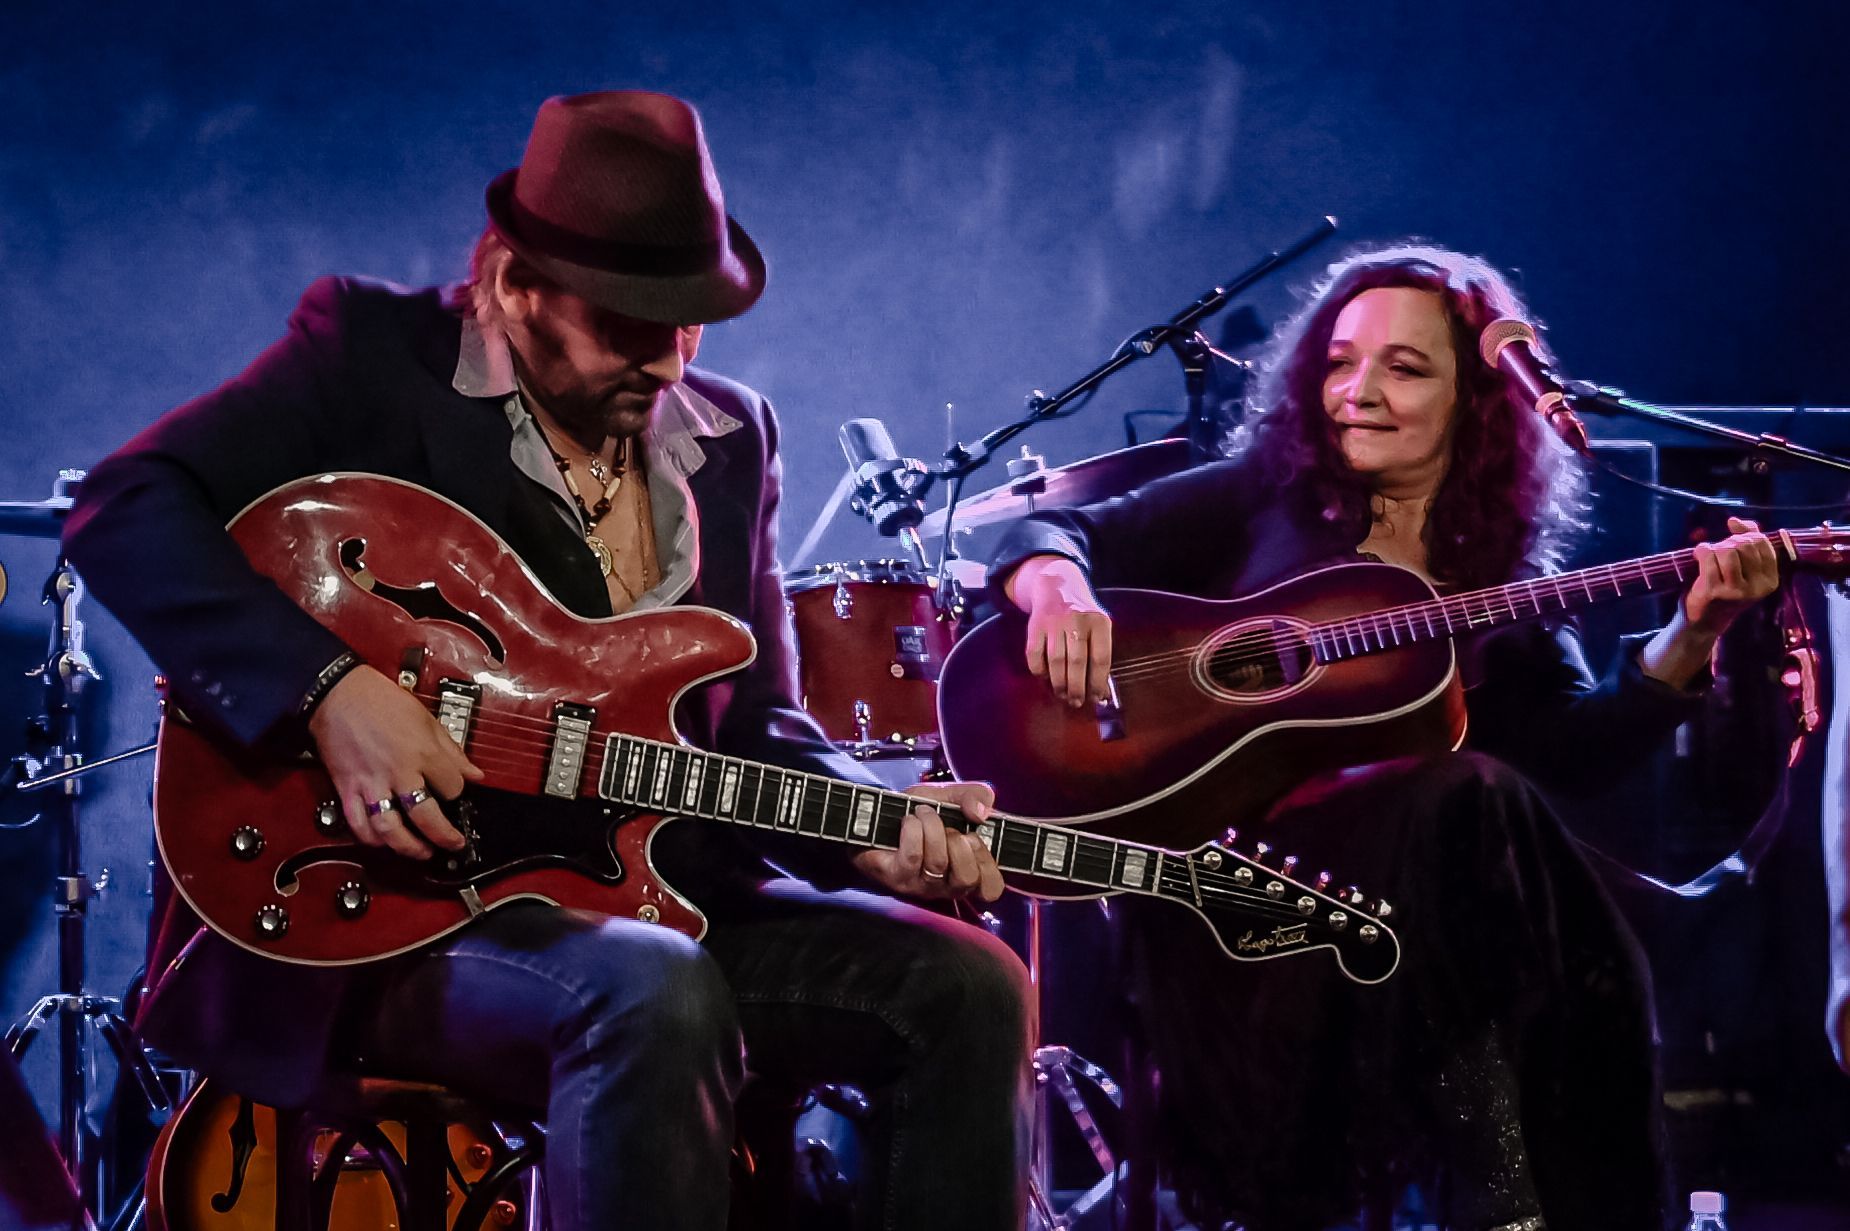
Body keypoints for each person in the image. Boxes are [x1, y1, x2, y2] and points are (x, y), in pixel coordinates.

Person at [64, 91, 1031, 1231]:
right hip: (392, 912)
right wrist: (329, 690)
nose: (667, 360)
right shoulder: (372, 352)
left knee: (969, 983)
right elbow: (125, 505)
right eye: (628, 323)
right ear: (517, 284)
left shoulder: (732, 436)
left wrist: (866, 827)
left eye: (690, 323)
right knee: (651, 989)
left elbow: (752, 722)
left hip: (647, 898)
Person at [986, 244, 1780, 1231]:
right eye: (1338, 362)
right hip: (1237, 907)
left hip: (1418, 926)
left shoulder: (1497, 578)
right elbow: (1045, 534)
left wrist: (1695, 630)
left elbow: (1576, 753)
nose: (1356, 392)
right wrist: (1059, 590)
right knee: (1475, 806)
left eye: (1402, 368)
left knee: (1483, 817)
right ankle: (1507, 1200)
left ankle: (1522, 1196)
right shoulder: (1258, 499)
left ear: (1474, 402)